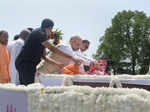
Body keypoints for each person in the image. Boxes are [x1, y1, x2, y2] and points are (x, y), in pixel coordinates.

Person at [15, 18, 82, 85]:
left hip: (27, 64)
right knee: (29, 86)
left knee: (28, 85)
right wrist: (72, 58)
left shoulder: (40, 36)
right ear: (50, 28)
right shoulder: (40, 33)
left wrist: (57, 64)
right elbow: (52, 49)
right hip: (25, 64)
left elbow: (44, 57)